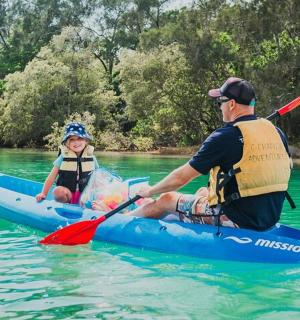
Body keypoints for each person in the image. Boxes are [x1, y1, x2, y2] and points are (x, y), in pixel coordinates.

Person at [128, 77, 292, 231]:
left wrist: (150, 191)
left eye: (220, 102)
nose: (220, 107)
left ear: (232, 104)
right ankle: (175, 213)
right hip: (269, 218)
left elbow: (181, 178)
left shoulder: (224, 136)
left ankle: (123, 220)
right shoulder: (276, 132)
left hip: (238, 220)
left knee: (166, 199)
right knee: (202, 192)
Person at [36, 122, 99, 204]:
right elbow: (51, 177)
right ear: (67, 143)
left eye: (79, 138)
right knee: (59, 191)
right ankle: (65, 204)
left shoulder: (92, 158)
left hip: (85, 194)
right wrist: (43, 193)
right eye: (72, 140)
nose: (76, 142)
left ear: (86, 141)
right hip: (68, 195)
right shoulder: (63, 157)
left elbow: (98, 178)